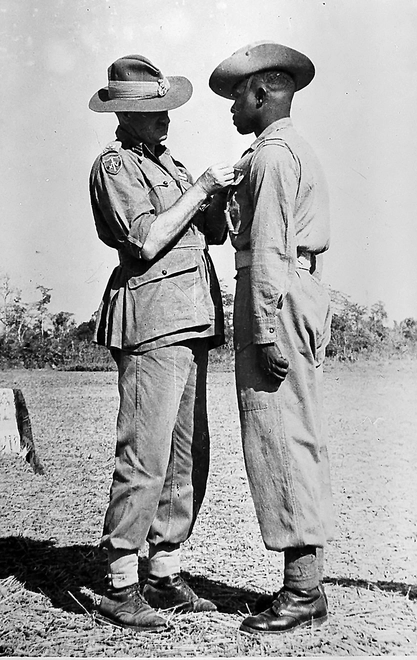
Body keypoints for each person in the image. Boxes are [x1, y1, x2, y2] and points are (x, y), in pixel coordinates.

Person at [88, 54, 234, 632]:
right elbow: (145, 240)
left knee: (185, 456)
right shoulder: (115, 167)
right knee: (144, 455)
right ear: (125, 114)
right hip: (151, 322)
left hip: (190, 319)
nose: (164, 119)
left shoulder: (168, 164)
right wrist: (200, 189)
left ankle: (164, 572)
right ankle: (122, 582)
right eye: (152, 111)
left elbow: (213, 233)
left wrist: (215, 197)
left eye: (165, 108)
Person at [209, 41, 334, 634]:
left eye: (237, 96)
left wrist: (260, 330)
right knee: (294, 436)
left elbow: (267, 254)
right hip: (294, 292)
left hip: (275, 297)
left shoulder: (272, 157)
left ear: (262, 94)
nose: (233, 108)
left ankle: (303, 590)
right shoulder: (286, 151)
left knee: (279, 438)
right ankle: (304, 582)